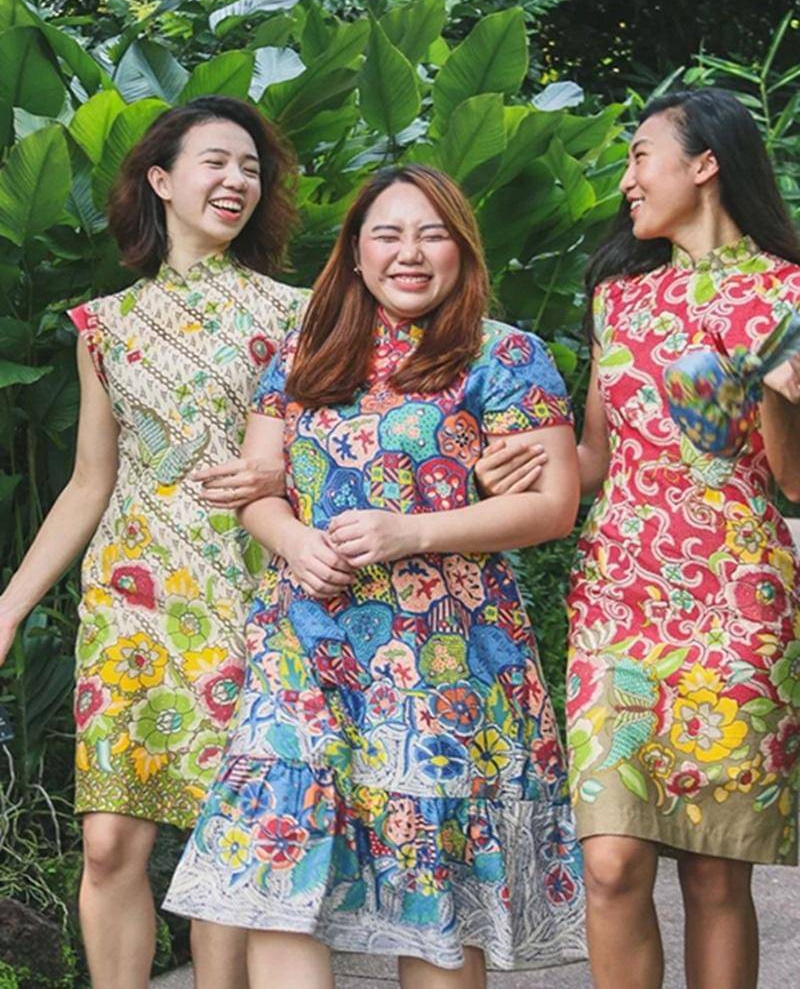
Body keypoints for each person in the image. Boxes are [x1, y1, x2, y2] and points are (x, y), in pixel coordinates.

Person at [163, 164, 586, 988]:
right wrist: (292, 540)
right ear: (355, 254)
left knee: (433, 904)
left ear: (462, 250)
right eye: (388, 234)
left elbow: (553, 506)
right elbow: (259, 486)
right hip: (305, 646)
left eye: (432, 235)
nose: (410, 253)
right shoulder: (304, 353)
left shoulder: (506, 356)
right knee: (277, 877)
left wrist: (413, 532)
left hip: (441, 660)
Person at [475, 88, 800, 989]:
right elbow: (593, 455)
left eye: (640, 155)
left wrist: (775, 391)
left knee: (714, 870)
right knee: (612, 863)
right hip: (619, 599)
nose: (627, 179)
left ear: (706, 164)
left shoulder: (787, 291)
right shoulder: (619, 298)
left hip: (737, 601)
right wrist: (523, 460)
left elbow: (793, 482)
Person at [0, 95, 307, 988]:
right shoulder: (104, 326)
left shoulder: (296, 314)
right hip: (129, 603)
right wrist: (9, 606)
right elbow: (88, 481)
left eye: (250, 168)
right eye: (217, 161)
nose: (237, 180)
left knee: (227, 839)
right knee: (107, 844)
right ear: (162, 181)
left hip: (248, 592)